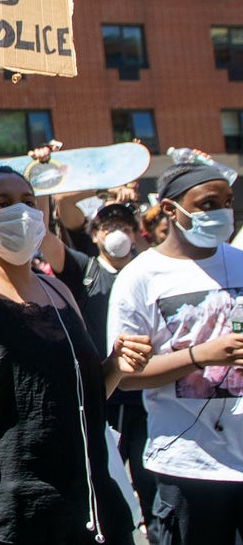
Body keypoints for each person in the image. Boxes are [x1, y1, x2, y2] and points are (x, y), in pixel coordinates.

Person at [0, 56, 151, 545]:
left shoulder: (57, 291)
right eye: (1, 202)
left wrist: (116, 365)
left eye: (27, 201)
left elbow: (79, 401)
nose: (19, 209)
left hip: (77, 509)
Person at [107, 162, 243, 543]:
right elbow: (127, 377)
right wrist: (201, 355)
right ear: (170, 208)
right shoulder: (140, 277)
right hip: (188, 467)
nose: (222, 212)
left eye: (228, 201)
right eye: (207, 203)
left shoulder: (239, 262)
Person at [39, 199, 156, 531]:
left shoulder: (149, 271)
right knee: (107, 484)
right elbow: (46, 237)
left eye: (124, 226)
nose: (117, 233)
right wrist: (54, 183)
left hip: (149, 396)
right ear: (95, 234)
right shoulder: (85, 270)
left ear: (136, 234)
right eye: (108, 227)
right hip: (103, 395)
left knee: (151, 485)